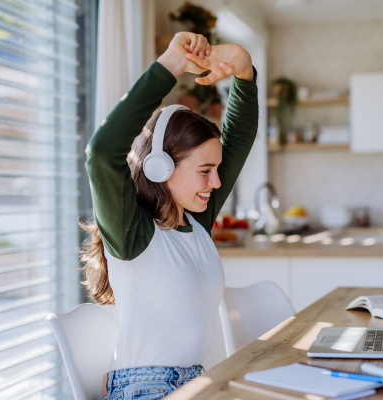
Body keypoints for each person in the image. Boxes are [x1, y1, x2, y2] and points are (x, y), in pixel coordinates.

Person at [80, 31, 258, 400]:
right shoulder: (133, 233)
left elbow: (238, 138)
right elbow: (101, 153)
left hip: (194, 381)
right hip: (144, 389)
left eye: (217, 169)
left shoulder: (196, 221)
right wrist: (170, 66)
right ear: (160, 167)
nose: (217, 181)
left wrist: (244, 73)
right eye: (205, 170)